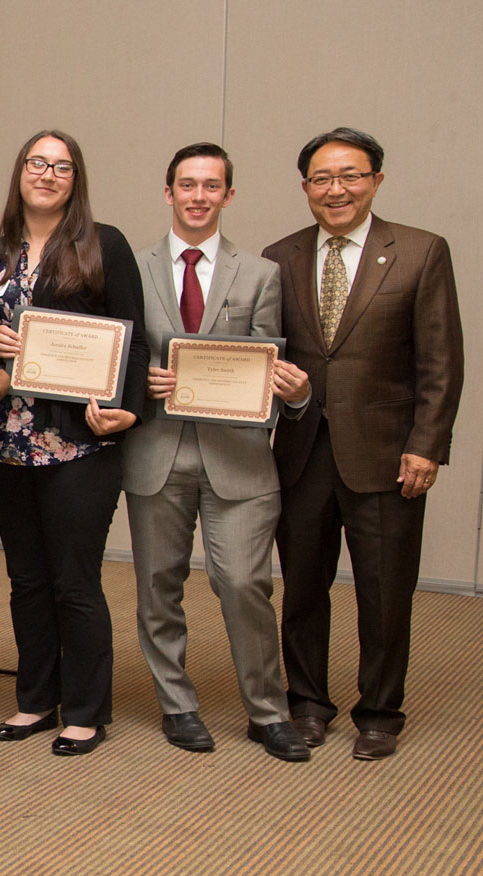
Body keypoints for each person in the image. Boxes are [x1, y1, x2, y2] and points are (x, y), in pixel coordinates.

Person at [263, 127, 463, 762]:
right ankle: (307, 704)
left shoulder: (422, 252)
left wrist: (427, 445)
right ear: (305, 189)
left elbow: (441, 362)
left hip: (387, 453)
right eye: (322, 179)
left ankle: (380, 712)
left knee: (384, 589)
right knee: (301, 588)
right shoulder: (280, 256)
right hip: (299, 449)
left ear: (377, 179)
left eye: (350, 175)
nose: (336, 189)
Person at [123, 143, 315, 762]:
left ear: (228, 195)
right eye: (187, 184)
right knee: (158, 586)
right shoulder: (135, 265)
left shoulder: (259, 273)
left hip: (238, 458)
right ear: (168, 192)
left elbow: (266, 365)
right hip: (156, 451)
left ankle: (267, 711)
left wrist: (289, 390)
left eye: (212, 186)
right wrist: (141, 376)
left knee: (244, 585)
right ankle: (178, 705)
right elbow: (120, 351)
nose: (199, 196)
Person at [0, 130, 148, 757]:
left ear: (76, 179)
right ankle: (35, 700)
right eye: (37, 162)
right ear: (20, 170)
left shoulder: (106, 245)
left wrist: (126, 410)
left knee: (75, 579)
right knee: (26, 579)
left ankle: (86, 710)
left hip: (79, 440)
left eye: (62, 166)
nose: (47, 174)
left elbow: (135, 337)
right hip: (9, 438)